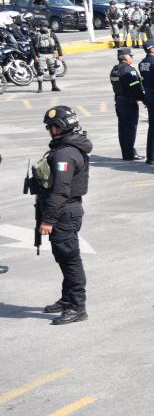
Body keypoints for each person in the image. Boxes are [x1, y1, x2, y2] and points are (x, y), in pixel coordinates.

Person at [29, 106, 93, 325]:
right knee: (63, 257)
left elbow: (60, 190)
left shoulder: (66, 153)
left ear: (62, 127)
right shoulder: (66, 147)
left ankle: (77, 307)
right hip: (64, 210)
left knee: (70, 260)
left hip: (64, 211)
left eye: (52, 126)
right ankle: (67, 299)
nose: (50, 130)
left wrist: (48, 220)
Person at [109, 48, 145, 161]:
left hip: (119, 102)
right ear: (125, 57)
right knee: (130, 129)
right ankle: (130, 153)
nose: (132, 58)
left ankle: (126, 152)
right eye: (130, 56)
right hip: (129, 103)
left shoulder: (114, 70)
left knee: (122, 128)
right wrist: (144, 98)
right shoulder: (129, 70)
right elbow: (136, 87)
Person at [31, 21, 63, 93]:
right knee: (40, 71)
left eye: (45, 26)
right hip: (41, 55)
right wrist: (35, 56)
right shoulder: (36, 35)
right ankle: (40, 88)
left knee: (52, 70)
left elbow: (57, 44)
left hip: (51, 55)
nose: (44, 27)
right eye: (42, 26)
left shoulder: (52, 34)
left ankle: (54, 86)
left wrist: (60, 54)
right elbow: (32, 47)